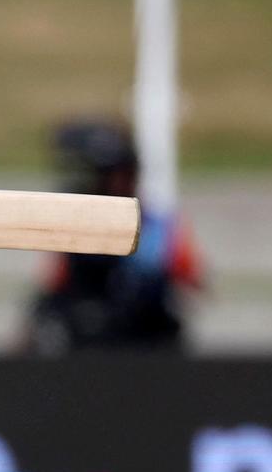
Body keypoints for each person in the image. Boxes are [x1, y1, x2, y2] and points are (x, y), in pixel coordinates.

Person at [25, 119, 202, 355]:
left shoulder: (159, 227)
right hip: (86, 347)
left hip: (146, 345)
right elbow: (54, 285)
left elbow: (193, 280)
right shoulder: (74, 227)